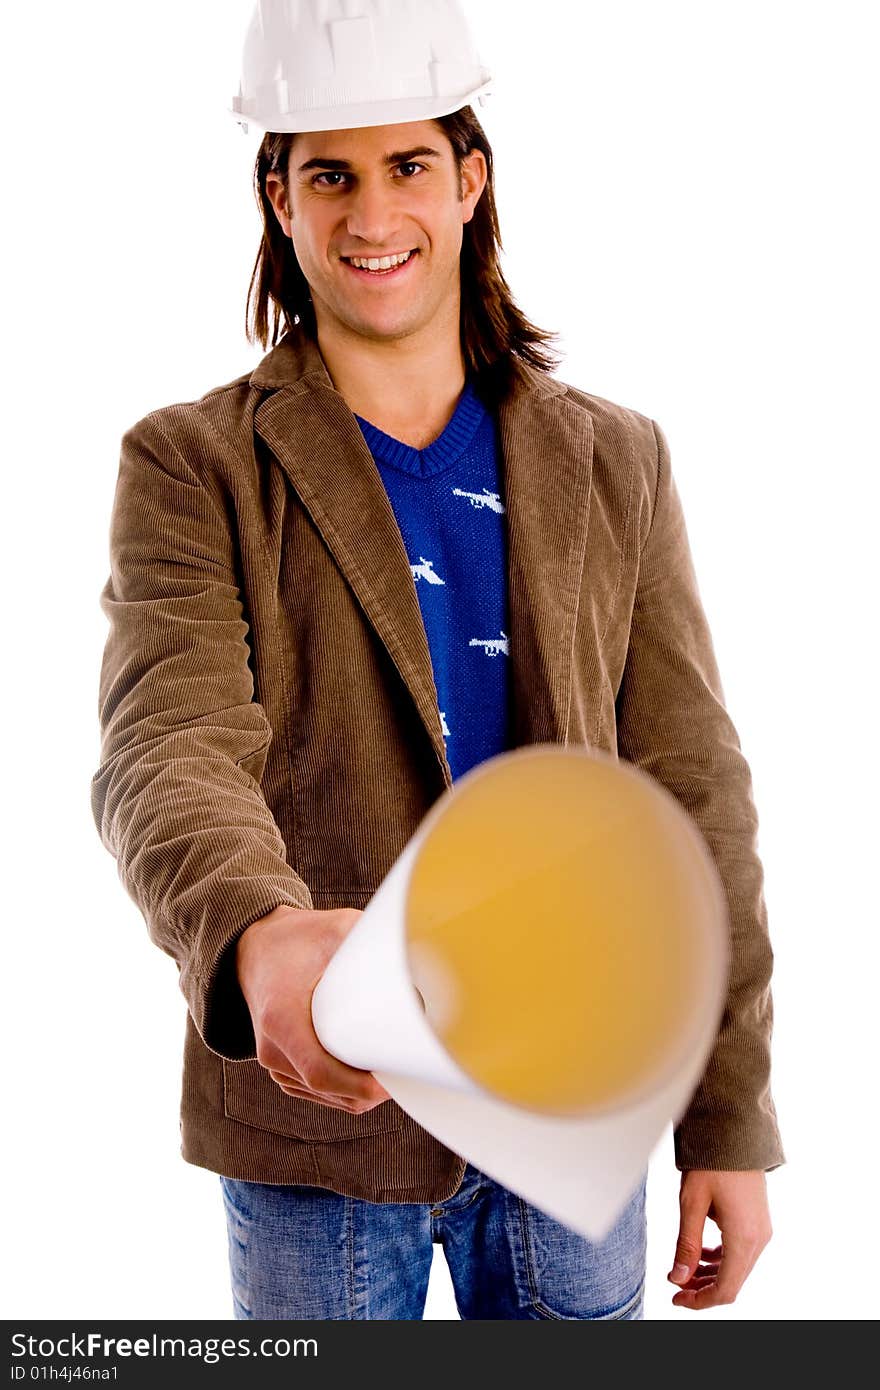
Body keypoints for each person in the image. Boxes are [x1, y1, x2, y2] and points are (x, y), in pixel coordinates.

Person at [90, 0, 785, 1319]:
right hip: (329, 1132)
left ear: (469, 180)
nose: (371, 218)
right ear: (278, 198)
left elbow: (694, 784)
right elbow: (167, 737)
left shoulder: (613, 460)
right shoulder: (193, 465)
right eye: (329, 175)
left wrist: (728, 1108)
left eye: (407, 164)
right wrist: (254, 937)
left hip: (572, 1090)